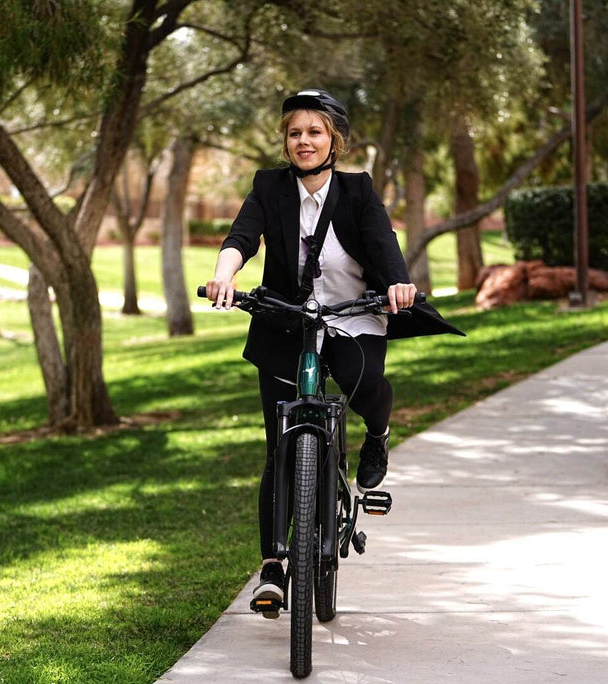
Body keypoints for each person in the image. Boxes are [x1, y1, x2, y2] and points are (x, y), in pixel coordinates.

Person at [204, 89, 464, 615]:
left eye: (314, 132)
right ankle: (274, 566)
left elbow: (382, 243)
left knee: (365, 387)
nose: (304, 141)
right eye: (295, 132)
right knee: (278, 449)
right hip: (286, 320)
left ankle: (377, 435)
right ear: (286, 141)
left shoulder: (357, 190)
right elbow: (241, 237)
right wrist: (223, 275)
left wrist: (398, 283)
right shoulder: (269, 186)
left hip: (352, 313)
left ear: (334, 141)